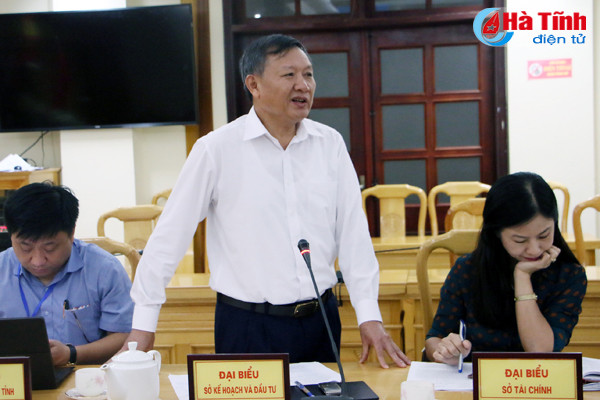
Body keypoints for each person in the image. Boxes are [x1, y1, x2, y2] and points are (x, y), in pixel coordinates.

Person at [125, 34, 410, 368]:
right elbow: (169, 237)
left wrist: (368, 313)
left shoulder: (329, 144)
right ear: (254, 85)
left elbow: (353, 234)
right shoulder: (216, 149)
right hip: (247, 326)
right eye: (289, 75)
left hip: (321, 321)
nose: (303, 85)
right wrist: (143, 323)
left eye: (308, 74)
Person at [425, 172, 587, 364]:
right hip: (474, 379)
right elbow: (434, 338)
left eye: (544, 235)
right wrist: (445, 352)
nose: (534, 249)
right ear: (496, 233)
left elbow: (539, 350)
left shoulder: (569, 275)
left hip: (535, 379)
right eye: (520, 240)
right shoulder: (467, 270)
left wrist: (522, 276)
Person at [0, 182, 134, 366]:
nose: (38, 261)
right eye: (25, 247)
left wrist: (72, 354)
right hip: (12, 377)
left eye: (50, 247)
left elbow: (124, 336)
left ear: (71, 233)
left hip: (87, 375)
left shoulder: (104, 270)